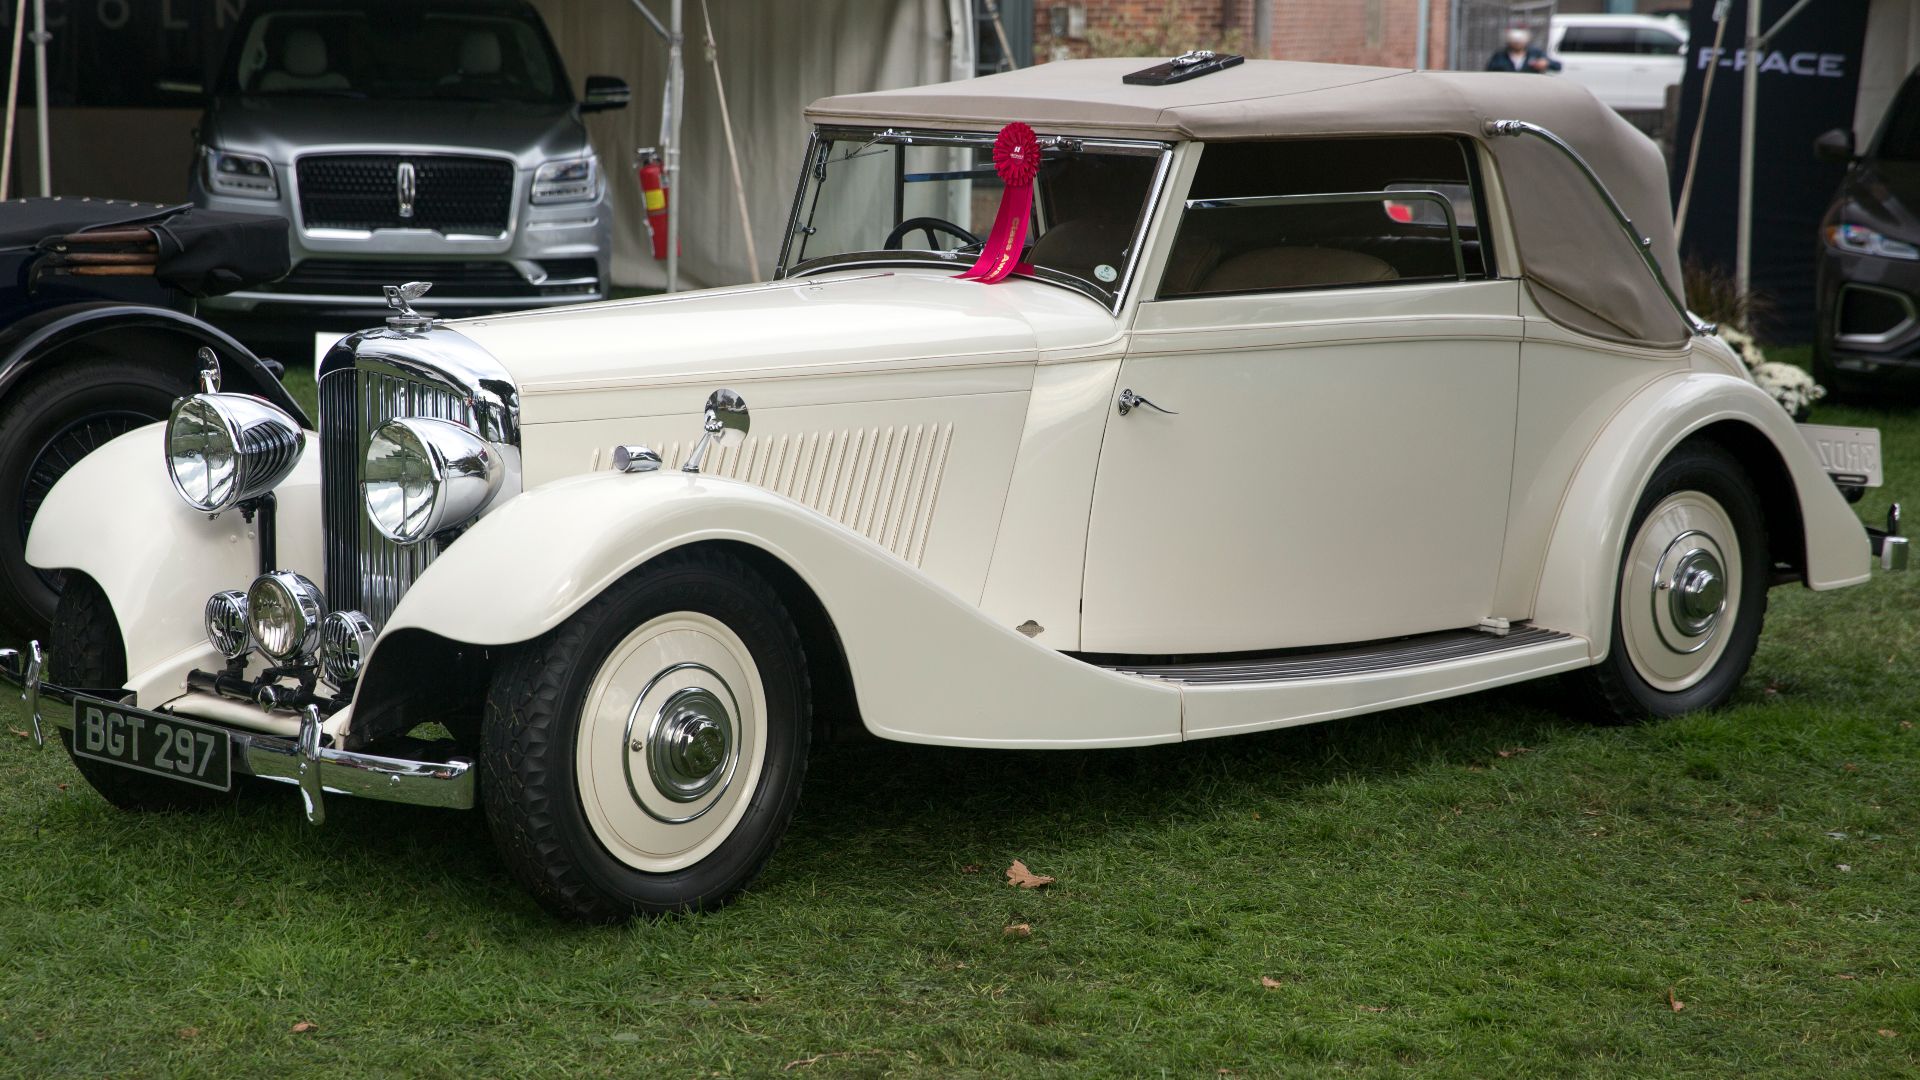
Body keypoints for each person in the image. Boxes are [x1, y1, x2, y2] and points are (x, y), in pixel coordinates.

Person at [1486, 28, 1561, 74]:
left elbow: (1557, 66)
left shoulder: (1535, 53)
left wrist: (1546, 63)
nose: (1517, 44)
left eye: (1520, 42)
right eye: (1514, 42)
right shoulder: (1500, 55)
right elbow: (1489, 70)